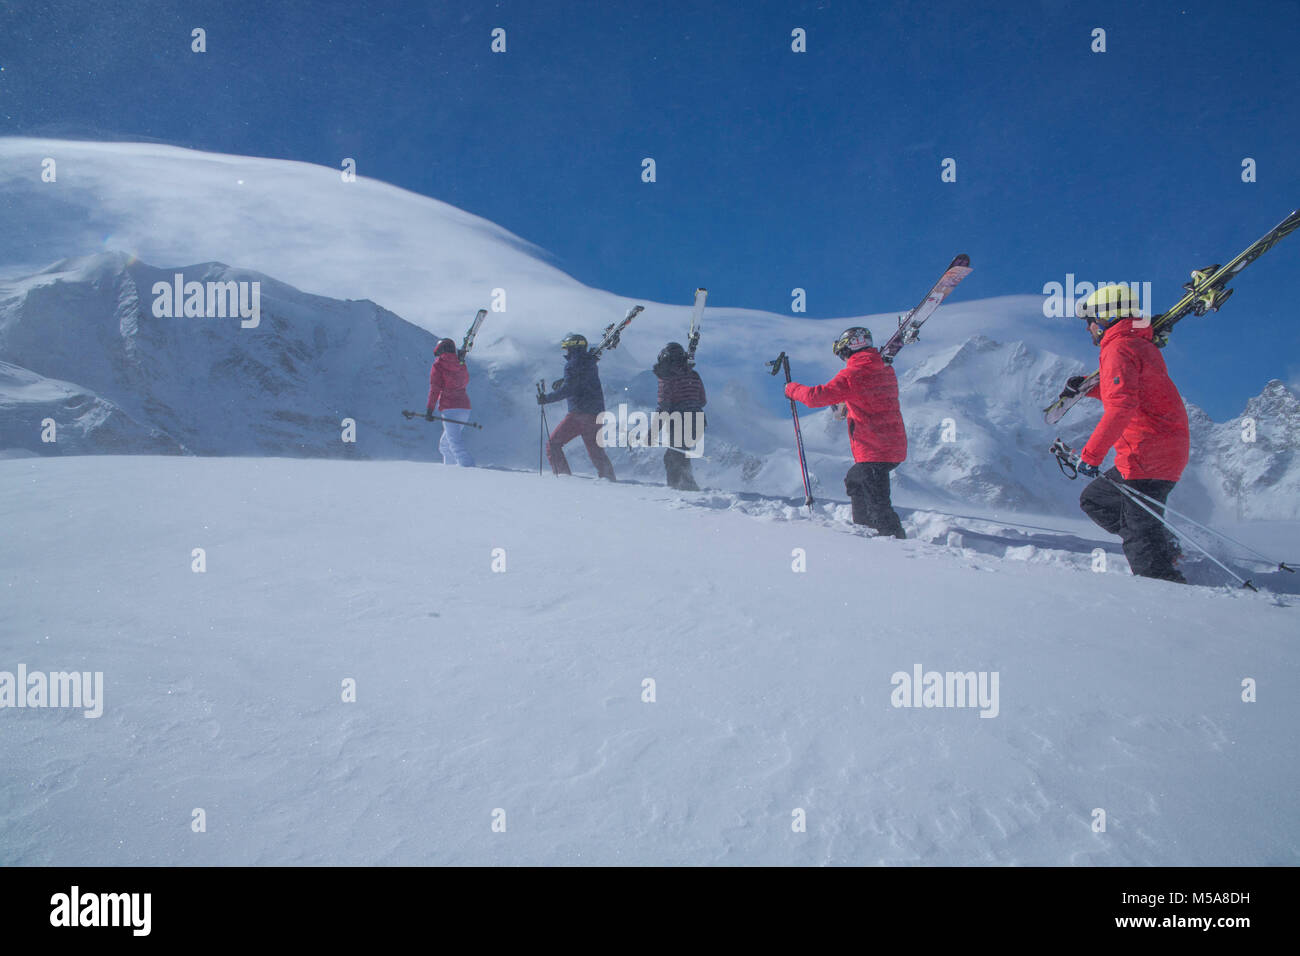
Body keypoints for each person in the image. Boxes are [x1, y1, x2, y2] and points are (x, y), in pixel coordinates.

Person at [1062, 285, 1188, 583]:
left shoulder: (1118, 348)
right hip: (1157, 452)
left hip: (1147, 457)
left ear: (1106, 317)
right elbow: (1133, 393)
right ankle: (1159, 541)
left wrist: (1090, 457)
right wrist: (1092, 388)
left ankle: (1165, 583)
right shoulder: (1139, 344)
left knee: (1142, 549)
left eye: (1090, 320)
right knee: (1096, 499)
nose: (1088, 328)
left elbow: (1122, 407)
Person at [784, 327, 907, 538]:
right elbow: (871, 396)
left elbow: (816, 397)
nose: (842, 357)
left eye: (842, 351)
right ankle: (866, 530)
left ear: (850, 346)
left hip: (874, 448)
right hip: (888, 446)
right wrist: (846, 405)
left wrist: (791, 389)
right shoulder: (883, 368)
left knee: (877, 504)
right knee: (856, 480)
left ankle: (897, 544)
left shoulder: (856, 372)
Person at [537, 333, 616, 480]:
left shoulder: (572, 364)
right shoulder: (590, 362)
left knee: (553, 445)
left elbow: (569, 389)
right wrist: (564, 380)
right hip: (596, 413)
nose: (566, 352)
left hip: (579, 414)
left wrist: (546, 399)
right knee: (595, 451)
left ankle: (563, 478)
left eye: (567, 349)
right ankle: (609, 479)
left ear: (573, 348)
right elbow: (581, 380)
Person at [652, 342, 707, 490]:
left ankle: (681, 489)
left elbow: (663, 407)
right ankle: (682, 486)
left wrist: (653, 432)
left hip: (680, 421)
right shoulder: (693, 375)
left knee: (675, 456)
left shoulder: (666, 377)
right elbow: (702, 400)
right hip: (698, 420)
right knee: (677, 454)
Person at [426, 337, 475, 467]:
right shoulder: (460, 363)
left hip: (449, 408)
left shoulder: (438, 365)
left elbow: (435, 388)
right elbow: (465, 381)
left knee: (454, 444)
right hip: (464, 408)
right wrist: (459, 362)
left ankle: (470, 470)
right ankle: (451, 473)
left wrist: (430, 409)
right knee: (445, 445)